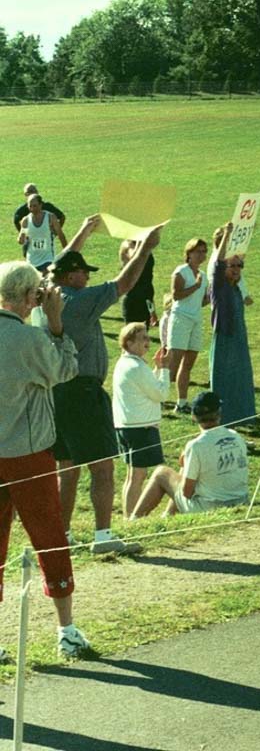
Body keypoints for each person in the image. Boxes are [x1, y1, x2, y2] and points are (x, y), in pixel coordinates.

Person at [50, 215, 160, 554]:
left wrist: (83, 233)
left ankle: (63, 535)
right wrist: (145, 247)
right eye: (84, 272)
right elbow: (122, 284)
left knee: (66, 471)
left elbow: (56, 265)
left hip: (57, 393)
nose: (87, 276)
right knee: (103, 468)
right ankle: (103, 536)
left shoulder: (46, 295)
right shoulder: (80, 301)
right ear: (72, 276)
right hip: (84, 392)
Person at [0, 260, 92, 659]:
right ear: (28, 297)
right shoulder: (30, 340)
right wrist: (55, 323)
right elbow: (67, 368)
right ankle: (66, 629)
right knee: (50, 538)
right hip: (28, 453)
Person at [132, 391, 249, 518]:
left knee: (161, 473)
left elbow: (186, 492)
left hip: (209, 507)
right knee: (185, 470)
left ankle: (134, 520)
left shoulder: (196, 446)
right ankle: (167, 516)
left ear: (193, 416)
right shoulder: (236, 436)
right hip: (240, 501)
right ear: (219, 413)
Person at [111, 321, 171, 517]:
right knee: (138, 475)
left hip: (127, 425)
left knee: (133, 475)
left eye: (147, 337)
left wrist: (157, 368)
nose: (147, 342)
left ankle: (130, 516)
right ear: (129, 343)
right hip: (140, 427)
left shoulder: (125, 363)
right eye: (142, 338)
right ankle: (132, 517)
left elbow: (146, 386)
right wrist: (164, 369)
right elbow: (161, 394)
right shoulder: (136, 366)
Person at [208, 223, 255, 427]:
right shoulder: (219, 285)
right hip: (225, 337)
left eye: (239, 266)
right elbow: (218, 264)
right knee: (225, 380)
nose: (236, 269)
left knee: (241, 378)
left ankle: (241, 418)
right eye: (232, 266)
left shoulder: (235, 288)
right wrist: (227, 234)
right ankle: (223, 421)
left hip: (238, 336)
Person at [168, 237, 208, 414]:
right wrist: (196, 286)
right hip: (180, 319)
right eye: (198, 251)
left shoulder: (204, 275)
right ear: (189, 253)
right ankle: (154, 396)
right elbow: (176, 295)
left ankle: (181, 402)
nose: (202, 255)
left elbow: (200, 301)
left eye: (204, 252)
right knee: (173, 363)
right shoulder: (181, 271)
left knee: (189, 362)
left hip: (196, 320)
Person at [17, 194, 68, 272]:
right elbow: (21, 239)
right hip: (31, 261)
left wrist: (67, 253)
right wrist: (21, 239)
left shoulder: (50, 218)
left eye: (35, 206)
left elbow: (61, 236)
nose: (32, 208)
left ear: (41, 205)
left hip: (47, 259)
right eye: (30, 206)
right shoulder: (26, 220)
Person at [119, 238, 156, 325]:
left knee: (143, 334)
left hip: (146, 295)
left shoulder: (144, 246)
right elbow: (135, 258)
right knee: (132, 334)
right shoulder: (127, 244)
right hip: (132, 297)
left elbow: (148, 281)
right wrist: (141, 241)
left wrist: (153, 310)